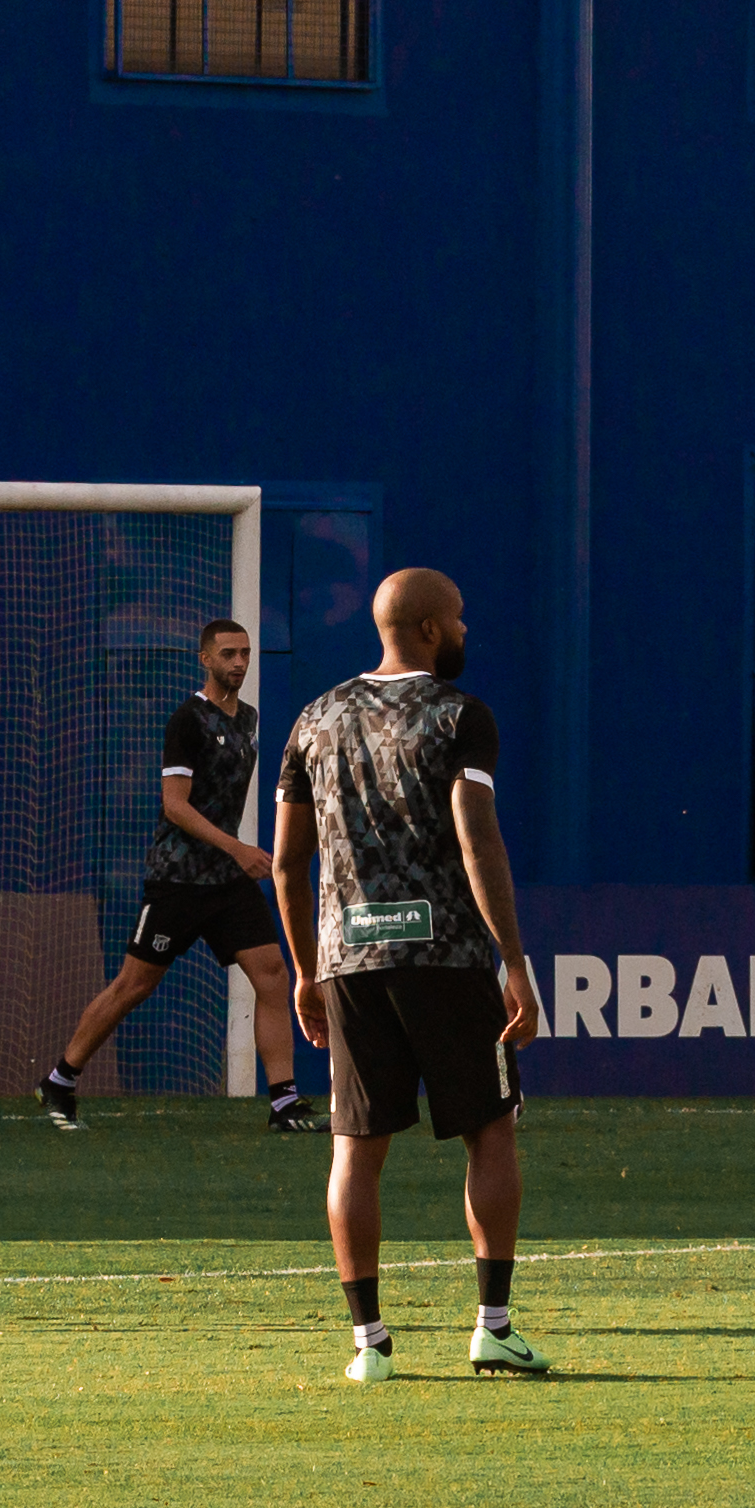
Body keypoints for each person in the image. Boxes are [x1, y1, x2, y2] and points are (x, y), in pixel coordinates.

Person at [270, 567, 548, 1381]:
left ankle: (369, 1347)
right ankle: (493, 1327)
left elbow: (287, 864)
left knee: (355, 1147)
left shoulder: (314, 716)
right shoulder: (460, 714)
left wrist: (305, 970)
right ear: (429, 628)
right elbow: (476, 838)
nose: (467, 630)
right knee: (490, 1129)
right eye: (459, 617)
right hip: (448, 956)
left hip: (349, 956)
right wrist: (516, 964)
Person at [41, 614, 314, 1134]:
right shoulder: (187, 719)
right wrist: (237, 849)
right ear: (205, 659)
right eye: (227, 654)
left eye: (245, 653)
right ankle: (61, 1078)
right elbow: (175, 806)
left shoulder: (249, 719)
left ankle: (284, 1103)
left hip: (227, 884)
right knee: (134, 985)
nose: (238, 662)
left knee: (272, 974)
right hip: (180, 878)